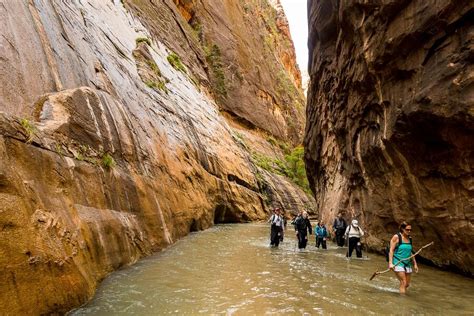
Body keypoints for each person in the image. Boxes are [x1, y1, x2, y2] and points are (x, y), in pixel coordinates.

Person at [389, 221, 418, 294]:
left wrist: (415, 264)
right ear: (402, 228)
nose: (409, 231)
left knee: (407, 284)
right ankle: (402, 300)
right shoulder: (396, 237)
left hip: (407, 263)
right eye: (407, 229)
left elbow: (410, 252)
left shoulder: (410, 238)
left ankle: (401, 292)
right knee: (403, 282)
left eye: (410, 230)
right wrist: (390, 263)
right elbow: (391, 250)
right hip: (398, 262)